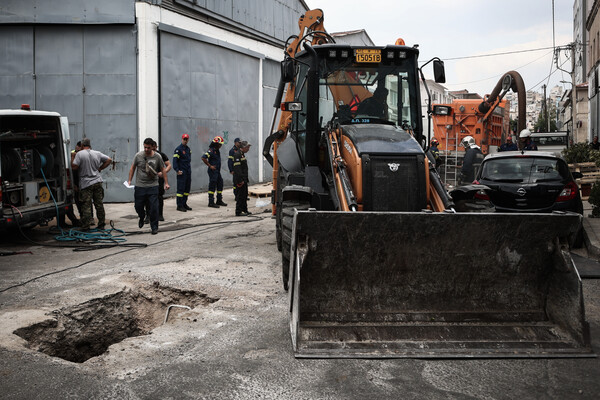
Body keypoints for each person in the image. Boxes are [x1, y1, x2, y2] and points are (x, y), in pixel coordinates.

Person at [128, 138, 170, 235]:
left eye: (148, 148)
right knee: (138, 206)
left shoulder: (157, 157)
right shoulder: (138, 156)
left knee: (154, 207)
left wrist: (166, 183)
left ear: (153, 147)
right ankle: (142, 216)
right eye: (145, 147)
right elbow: (132, 168)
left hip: (153, 186)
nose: (146, 149)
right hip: (140, 186)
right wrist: (129, 180)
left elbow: (163, 169)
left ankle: (154, 227)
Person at [71, 138, 112, 230]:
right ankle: (101, 224)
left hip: (86, 184)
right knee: (99, 204)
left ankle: (86, 226)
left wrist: (73, 157)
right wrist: (100, 168)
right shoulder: (97, 153)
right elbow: (109, 160)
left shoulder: (79, 154)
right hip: (97, 181)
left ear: (82, 146)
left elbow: (74, 167)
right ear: (90, 145)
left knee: (86, 205)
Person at [145, 140, 171, 222]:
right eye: (151, 148)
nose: (153, 150)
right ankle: (148, 216)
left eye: (154, 148)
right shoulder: (146, 155)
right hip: (149, 179)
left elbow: (169, 165)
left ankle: (160, 214)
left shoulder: (161, 155)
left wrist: (163, 172)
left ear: (156, 147)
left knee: (159, 197)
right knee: (147, 197)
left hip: (159, 179)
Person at [202, 136, 227, 208]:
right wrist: (210, 166)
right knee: (212, 186)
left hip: (217, 171)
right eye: (220, 144)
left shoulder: (217, 150)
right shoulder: (211, 150)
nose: (221, 146)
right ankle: (211, 202)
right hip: (213, 171)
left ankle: (219, 200)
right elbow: (203, 157)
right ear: (216, 144)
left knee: (220, 184)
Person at [173, 133, 192, 212]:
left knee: (186, 189)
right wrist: (177, 170)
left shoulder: (188, 149)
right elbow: (175, 161)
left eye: (186, 139)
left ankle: (184, 203)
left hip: (187, 172)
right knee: (180, 189)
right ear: (182, 139)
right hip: (182, 172)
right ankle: (179, 205)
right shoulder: (178, 149)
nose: (185, 141)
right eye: (184, 139)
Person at [232, 141, 252, 216]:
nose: (248, 149)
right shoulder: (237, 155)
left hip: (244, 179)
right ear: (243, 148)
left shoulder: (242, 155)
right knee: (240, 196)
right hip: (240, 179)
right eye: (247, 147)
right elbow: (237, 169)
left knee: (244, 195)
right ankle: (238, 211)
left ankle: (244, 210)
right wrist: (241, 180)